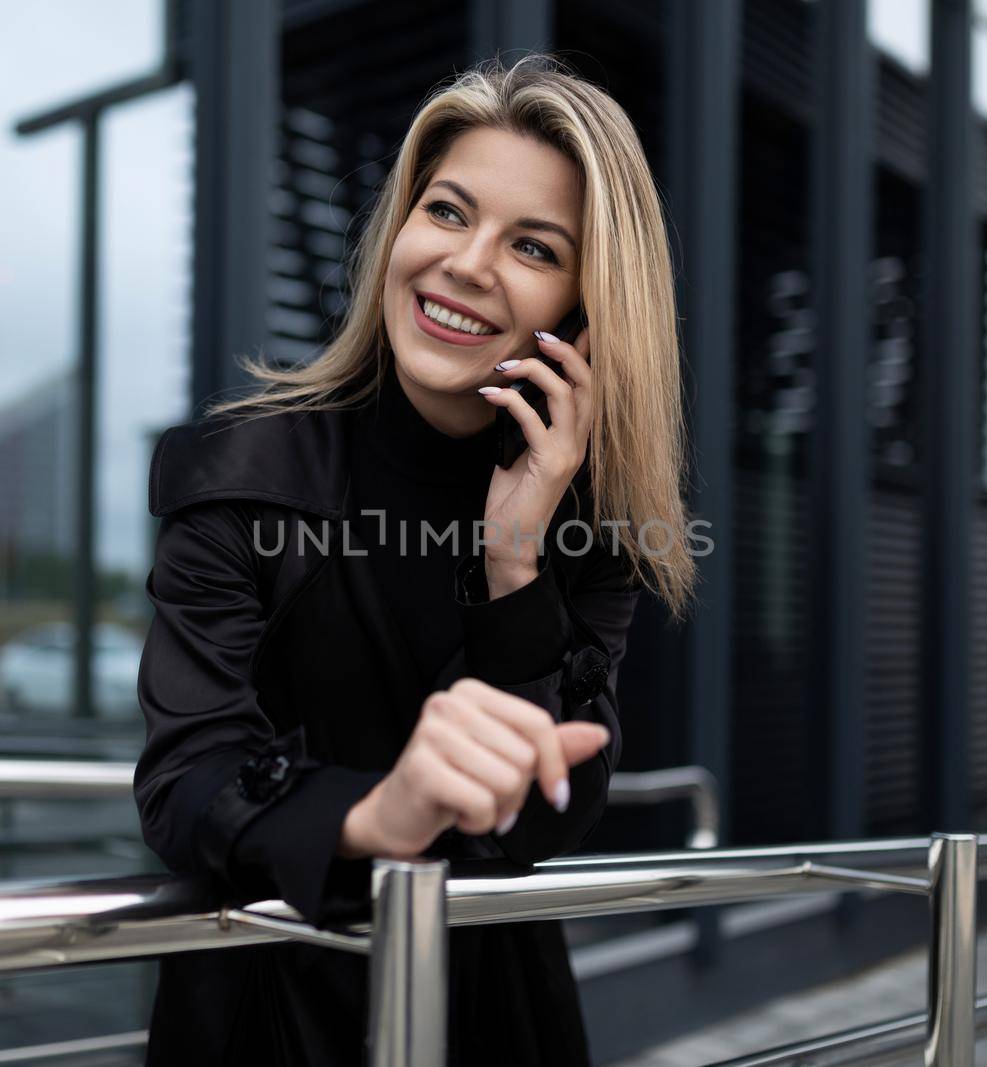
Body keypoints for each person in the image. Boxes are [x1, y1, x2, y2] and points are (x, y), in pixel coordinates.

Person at [135, 52, 699, 1066]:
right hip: (271, 1004)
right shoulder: (236, 470)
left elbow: (545, 820)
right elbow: (186, 780)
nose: (468, 262)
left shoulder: (592, 520)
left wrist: (515, 559)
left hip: (492, 1008)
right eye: (446, 211)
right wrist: (380, 811)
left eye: (532, 245)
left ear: (584, 309)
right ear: (398, 227)